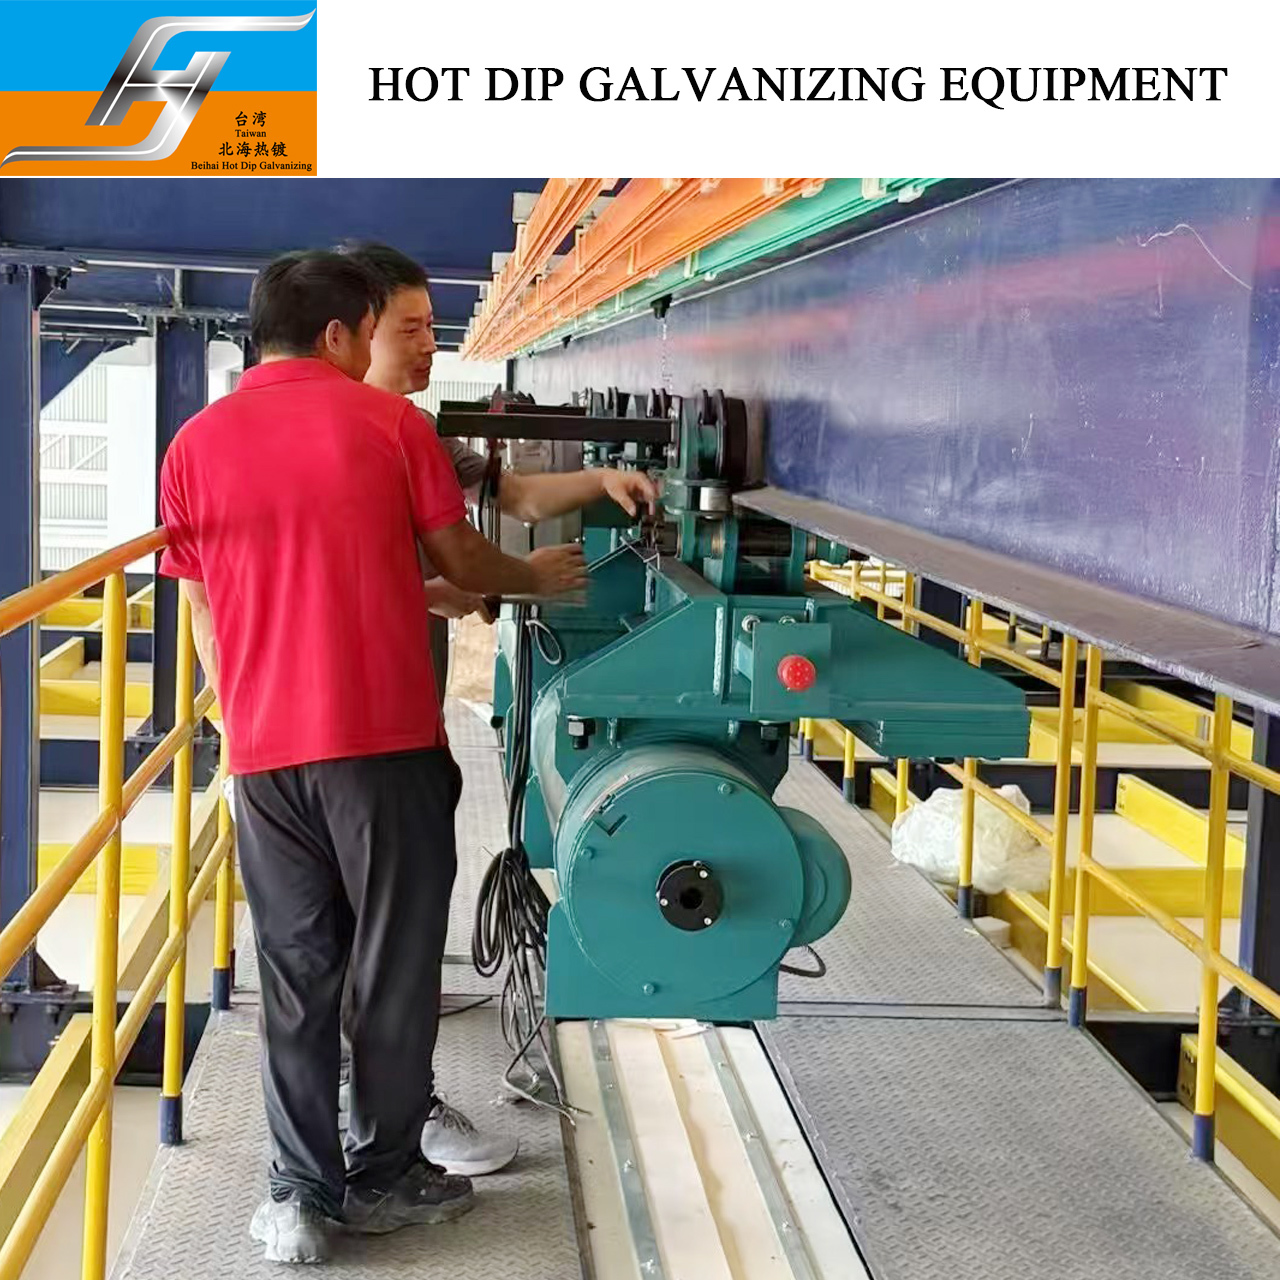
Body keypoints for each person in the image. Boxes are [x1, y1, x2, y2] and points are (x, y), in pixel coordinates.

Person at [158, 250, 586, 1265]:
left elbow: (202, 602)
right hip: (381, 746)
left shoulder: (193, 443)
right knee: (390, 970)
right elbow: (461, 556)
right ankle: (385, 1173)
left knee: (296, 973)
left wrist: (237, 727)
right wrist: (535, 576)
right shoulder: (391, 425)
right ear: (338, 332)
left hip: (265, 756)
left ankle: (299, 1195)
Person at [328, 242, 657, 1179]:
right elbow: (352, 579)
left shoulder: (420, 433)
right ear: (351, 332)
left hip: (400, 706)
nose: (430, 345)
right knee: (365, 921)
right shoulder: (348, 440)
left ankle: (374, 1100)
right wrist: (482, 583)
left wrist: (600, 481)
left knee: (385, 919)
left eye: (434, 327)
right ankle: (389, 1114)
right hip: (355, 717)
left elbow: (509, 495)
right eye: (411, 328)